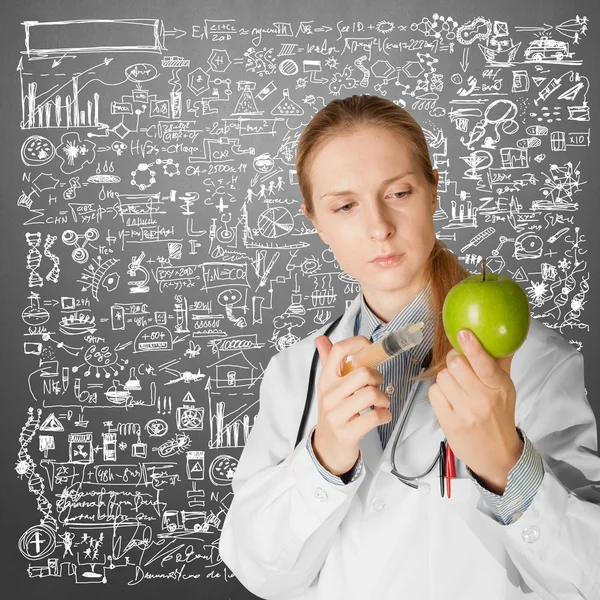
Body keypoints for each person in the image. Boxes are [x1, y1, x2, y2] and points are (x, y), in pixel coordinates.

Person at [218, 95, 600, 599]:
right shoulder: (294, 373)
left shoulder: (535, 363)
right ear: (315, 220)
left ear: (433, 191)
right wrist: (325, 456)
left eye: (398, 193)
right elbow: (260, 572)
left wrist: (508, 467)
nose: (379, 227)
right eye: (345, 206)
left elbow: (589, 579)